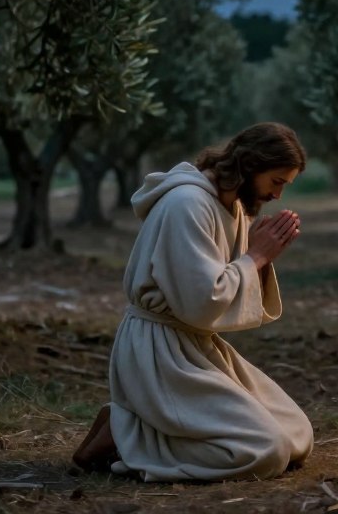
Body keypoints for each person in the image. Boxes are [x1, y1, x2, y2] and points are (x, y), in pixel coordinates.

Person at [72, 122, 314, 482]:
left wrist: (255, 256)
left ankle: (134, 424)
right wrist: (256, 258)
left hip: (196, 346)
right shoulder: (187, 204)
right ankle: (126, 435)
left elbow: (221, 283)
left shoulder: (231, 207)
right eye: (276, 181)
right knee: (267, 451)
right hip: (160, 352)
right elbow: (201, 303)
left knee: (298, 435)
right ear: (250, 165)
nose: (277, 196)